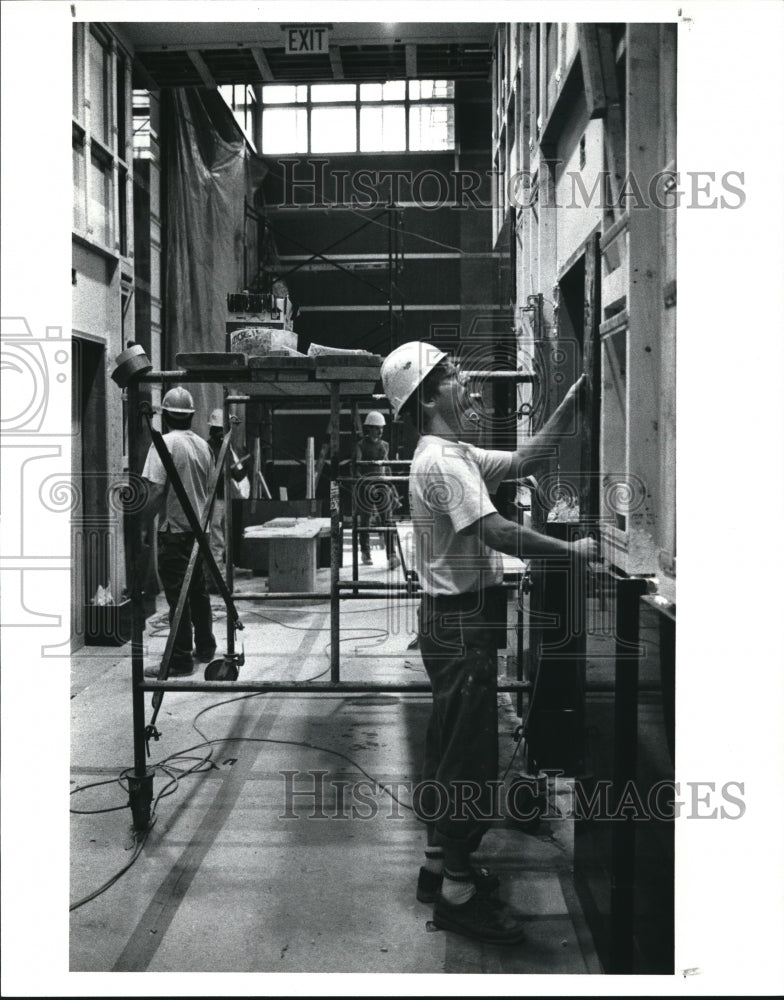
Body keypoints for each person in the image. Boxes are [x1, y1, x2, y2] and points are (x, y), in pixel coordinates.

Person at [380, 341, 598, 944]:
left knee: (448, 740)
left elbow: (529, 455)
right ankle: (456, 892)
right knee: (468, 753)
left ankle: (437, 866)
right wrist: (571, 554)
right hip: (459, 622)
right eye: (451, 376)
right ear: (426, 397)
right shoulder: (442, 463)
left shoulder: (455, 452)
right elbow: (498, 532)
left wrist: (574, 403)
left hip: (455, 620)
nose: (464, 382)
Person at [138, 386, 217, 676]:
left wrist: (143, 524)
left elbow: (156, 490)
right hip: (199, 531)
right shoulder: (202, 446)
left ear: (166, 415)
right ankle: (206, 647)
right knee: (197, 592)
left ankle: (180, 659)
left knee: (178, 597)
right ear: (191, 415)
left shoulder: (165, 444)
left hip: (174, 532)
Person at [206, 407, 250, 589]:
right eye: (220, 430)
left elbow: (237, 476)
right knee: (216, 541)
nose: (222, 434)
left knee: (222, 540)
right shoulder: (208, 448)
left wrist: (244, 465)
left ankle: (219, 579)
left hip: (224, 498)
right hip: (213, 499)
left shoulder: (227, 449)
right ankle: (217, 581)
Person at [354, 410, 400, 571]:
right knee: (365, 522)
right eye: (376, 428)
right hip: (365, 488)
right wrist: (367, 485)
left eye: (381, 428)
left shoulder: (385, 445)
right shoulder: (360, 445)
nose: (380, 431)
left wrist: (392, 488)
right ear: (369, 428)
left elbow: (386, 468)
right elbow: (356, 470)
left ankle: (392, 555)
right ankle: (365, 552)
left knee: (387, 521)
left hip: (382, 486)